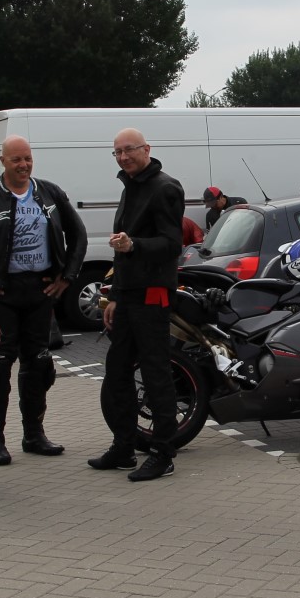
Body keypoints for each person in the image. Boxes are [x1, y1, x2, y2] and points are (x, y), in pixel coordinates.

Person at [0, 134, 86, 466]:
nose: (23, 165)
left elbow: (78, 234)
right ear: (3, 161)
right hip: (1, 295)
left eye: (28, 158)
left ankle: (34, 434)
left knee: (39, 364)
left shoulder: (49, 192)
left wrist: (67, 276)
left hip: (39, 291)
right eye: (16, 159)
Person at [94, 128, 185, 481]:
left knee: (155, 372)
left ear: (146, 149)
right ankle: (124, 447)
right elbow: (122, 251)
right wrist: (115, 295)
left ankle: (163, 453)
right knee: (117, 371)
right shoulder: (129, 186)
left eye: (129, 150)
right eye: (117, 152)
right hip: (129, 295)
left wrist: (134, 245)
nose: (123, 157)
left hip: (152, 294)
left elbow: (171, 244)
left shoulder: (165, 188)